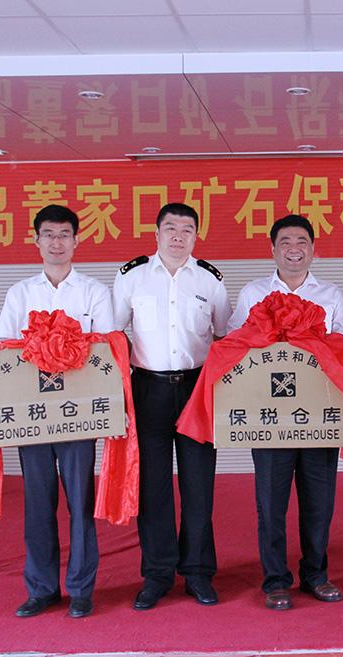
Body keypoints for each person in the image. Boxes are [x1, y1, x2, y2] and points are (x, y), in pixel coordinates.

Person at [0, 204, 114, 619]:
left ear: (77, 240)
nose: (57, 242)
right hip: (32, 418)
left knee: (80, 503)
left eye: (64, 234)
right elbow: (1, 351)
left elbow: (108, 351)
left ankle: (80, 588)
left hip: (79, 416)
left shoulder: (94, 292)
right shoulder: (20, 294)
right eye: (49, 234)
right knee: (38, 504)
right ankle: (42, 588)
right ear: (36, 240)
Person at [227, 214, 343, 611]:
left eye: (301, 241)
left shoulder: (330, 294)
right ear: (272, 249)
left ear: (313, 249)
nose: (293, 249)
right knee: (271, 502)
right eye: (285, 242)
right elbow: (233, 346)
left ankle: (316, 574)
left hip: (318, 415)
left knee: (320, 500)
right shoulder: (253, 293)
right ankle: (275, 580)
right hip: (269, 417)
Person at [112, 202, 231, 610]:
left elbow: (224, 338)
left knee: (199, 485)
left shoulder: (210, 280)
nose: (178, 236)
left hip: (197, 389)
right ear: (157, 233)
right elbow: (113, 336)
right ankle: (157, 574)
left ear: (196, 235)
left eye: (187, 230)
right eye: (171, 229)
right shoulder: (131, 277)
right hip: (148, 389)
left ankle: (197, 571)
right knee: (153, 486)